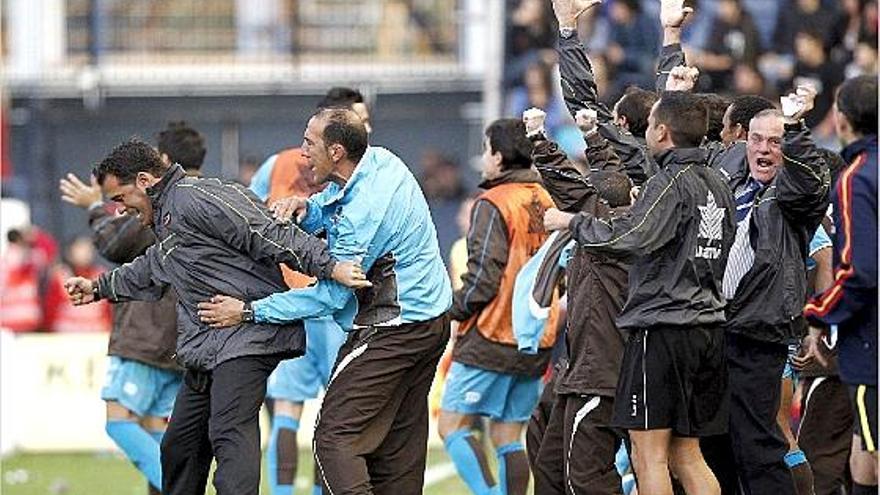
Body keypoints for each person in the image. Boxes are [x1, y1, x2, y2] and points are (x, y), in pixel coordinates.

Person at [64, 138, 367, 495]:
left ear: (145, 181)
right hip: (210, 344)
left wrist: (330, 266)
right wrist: (98, 287)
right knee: (180, 446)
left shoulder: (196, 196)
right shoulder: (167, 217)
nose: (120, 209)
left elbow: (267, 231)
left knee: (229, 432)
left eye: (120, 199)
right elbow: (152, 267)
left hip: (247, 336)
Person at [197, 108, 452, 494]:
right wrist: (309, 209)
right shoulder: (381, 161)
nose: (301, 153)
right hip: (428, 323)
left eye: (308, 143)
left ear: (335, 151)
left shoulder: (363, 215)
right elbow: (339, 202)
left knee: (333, 438)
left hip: (390, 330)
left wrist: (250, 311)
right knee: (396, 453)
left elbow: (332, 295)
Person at [544, 89, 735, 495]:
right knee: (688, 455)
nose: (645, 131)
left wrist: (571, 222)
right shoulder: (719, 181)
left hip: (664, 329)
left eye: (649, 125)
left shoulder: (669, 182)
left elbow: (631, 234)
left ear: (662, 132)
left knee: (650, 456)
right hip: (709, 328)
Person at [57, 120, 206, 493]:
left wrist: (94, 207)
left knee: (119, 421)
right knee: (159, 432)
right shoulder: (209, 198)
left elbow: (113, 244)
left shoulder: (163, 201)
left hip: (145, 333)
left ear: (165, 160)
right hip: (183, 335)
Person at [249, 87, 369, 495]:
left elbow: (253, 219)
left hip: (290, 302)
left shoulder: (275, 165)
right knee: (333, 414)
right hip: (337, 305)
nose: (367, 128)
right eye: (362, 121)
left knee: (287, 410)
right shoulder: (363, 172)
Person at [434, 118, 560, 495]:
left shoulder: (493, 202)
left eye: (487, 150)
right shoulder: (548, 197)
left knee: (452, 425)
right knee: (508, 434)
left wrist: (449, 310)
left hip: (493, 334)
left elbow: (483, 279)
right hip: (538, 336)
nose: (483, 158)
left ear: (500, 157)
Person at [523, 99, 636, 493]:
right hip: (581, 368)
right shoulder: (618, 217)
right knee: (547, 454)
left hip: (601, 371)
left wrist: (538, 140)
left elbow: (573, 189)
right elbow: (604, 179)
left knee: (586, 476)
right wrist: (592, 138)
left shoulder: (607, 229)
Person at [804, 74, 878, 495]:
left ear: (842, 119)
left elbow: (861, 271)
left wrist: (819, 311)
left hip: (871, 345)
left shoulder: (855, 179)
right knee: (861, 458)